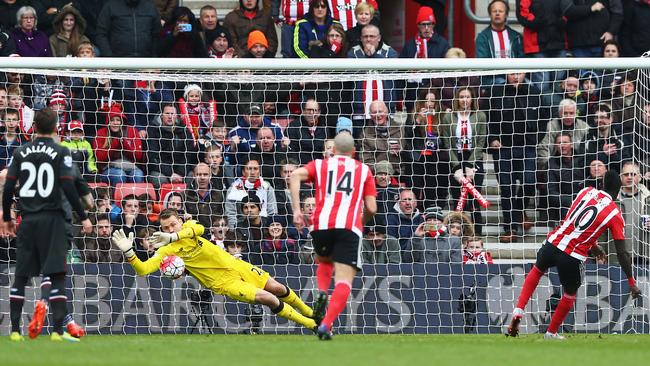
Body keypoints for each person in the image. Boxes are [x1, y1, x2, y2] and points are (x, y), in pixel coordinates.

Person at [110, 208, 319, 332]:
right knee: (269, 298)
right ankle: (311, 324)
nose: (170, 229)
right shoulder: (167, 250)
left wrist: (174, 235)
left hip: (237, 265)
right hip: (223, 282)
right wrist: (129, 252)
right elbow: (143, 270)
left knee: (278, 287)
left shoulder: (189, 228)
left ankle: (311, 312)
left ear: (180, 221)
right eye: (165, 228)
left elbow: (200, 229)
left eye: (173, 224)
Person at [507, 170, 641, 340]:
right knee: (570, 293)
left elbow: (575, 220)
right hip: (572, 255)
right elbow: (622, 252)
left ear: (602, 184)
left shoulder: (586, 191)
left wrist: (594, 246)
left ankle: (519, 309)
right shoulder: (614, 213)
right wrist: (631, 281)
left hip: (554, 242)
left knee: (537, 270)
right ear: (619, 187)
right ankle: (551, 332)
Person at [3, 107, 92, 342]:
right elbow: (71, 186)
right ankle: (57, 330)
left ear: (34, 127)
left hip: (28, 218)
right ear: (56, 128)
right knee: (57, 274)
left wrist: (6, 217)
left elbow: (8, 184)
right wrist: (83, 215)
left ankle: (14, 332)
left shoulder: (21, 151)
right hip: (55, 218)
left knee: (21, 276)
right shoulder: (61, 151)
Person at [289, 132, 377, 340]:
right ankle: (325, 325)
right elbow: (372, 207)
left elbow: (294, 175)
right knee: (344, 280)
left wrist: (296, 211)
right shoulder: (363, 170)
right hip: (348, 227)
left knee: (325, 261)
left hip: (321, 225)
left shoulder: (320, 165)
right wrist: (360, 223)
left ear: (334, 150)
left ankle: (320, 291)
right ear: (354, 152)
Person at [95, 0, 161, 57]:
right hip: (118, 61)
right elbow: (101, 33)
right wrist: (109, 56)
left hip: (145, 61)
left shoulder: (150, 7)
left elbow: (156, 35)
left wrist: (154, 57)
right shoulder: (111, 6)